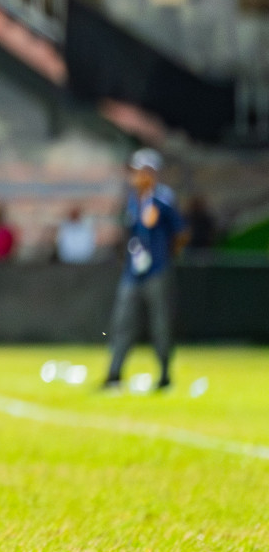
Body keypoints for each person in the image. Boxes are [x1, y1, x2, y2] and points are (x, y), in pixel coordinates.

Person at [101, 149, 187, 392]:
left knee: (160, 323)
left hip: (157, 269)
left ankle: (164, 374)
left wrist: (166, 255)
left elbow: (180, 233)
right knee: (122, 321)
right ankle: (114, 374)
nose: (138, 176)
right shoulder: (131, 200)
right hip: (133, 271)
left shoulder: (163, 198)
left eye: (143, 172)